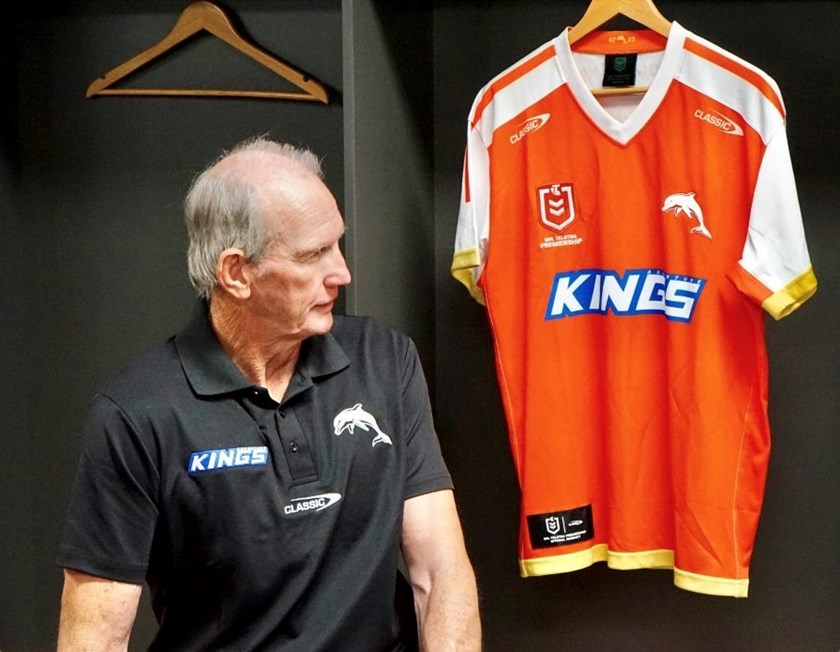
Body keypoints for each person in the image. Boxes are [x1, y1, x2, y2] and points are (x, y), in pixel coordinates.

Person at [56, 135, 482, 651]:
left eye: (338, 244)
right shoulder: (136, 413)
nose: (342, 273)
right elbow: (96, 636)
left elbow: (440, 574)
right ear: (236, 273)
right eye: (314, 254)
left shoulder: (385, 361)